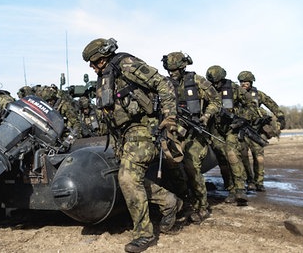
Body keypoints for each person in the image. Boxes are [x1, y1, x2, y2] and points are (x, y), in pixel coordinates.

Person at [82, 38, 182, 253]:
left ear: (104, 56)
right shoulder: (105, 77)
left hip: (142, 128)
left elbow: (163, 84)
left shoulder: (125, 65)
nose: (91, 66)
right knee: (130, 179)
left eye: (94, 61)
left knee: (128, 178)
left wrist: (169, 117)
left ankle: (144, 235)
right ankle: (168, 201)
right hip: (122, 135)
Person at [161, 51, 222, 223]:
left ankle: (202, 206)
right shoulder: (166, 84)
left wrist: (206, 116)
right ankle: (183, 199)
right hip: (174, 130)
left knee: (192, 167)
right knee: (173, 166)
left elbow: (216, 101)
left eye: (175, 70)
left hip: (194, 132)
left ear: (182, 67)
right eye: (169, 70)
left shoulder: (197, 81)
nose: (172, 73)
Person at [205, 65, 259, 205]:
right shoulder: (206, 89)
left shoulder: (234, 89)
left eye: (217, 82)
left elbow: (252, 106)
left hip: (231, 128)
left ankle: (240, 189)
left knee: (232, 154)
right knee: (222, 159)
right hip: (215, 130)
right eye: (213, 82)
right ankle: (231, 189)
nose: (215, 85)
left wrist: (241, 118)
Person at [237, 70, 286, 192]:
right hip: (241, 130)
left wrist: (280, 116)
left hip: (256, 131)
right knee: (243, 157)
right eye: (242, 82)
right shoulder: (236, 94)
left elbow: (272, 104)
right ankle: (250, 181)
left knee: (259, 158)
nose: (244, 84)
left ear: (251, 82)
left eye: (246, 82)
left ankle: (259, 182)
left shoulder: (259, 95)